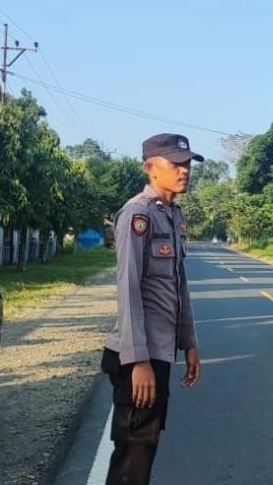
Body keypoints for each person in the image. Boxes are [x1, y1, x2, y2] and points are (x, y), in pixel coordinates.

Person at [101, 133, 203, 485]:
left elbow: (179, 286)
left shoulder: (172, 217)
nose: (184, 170)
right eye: (175, 163)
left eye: (187, 164)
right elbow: (128, 290)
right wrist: (138, 361)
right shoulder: (136, 215)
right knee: (133, 457)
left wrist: (188, 342)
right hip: (138, 356)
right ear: (150, 167)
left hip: (159, 351)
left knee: (145, 450)